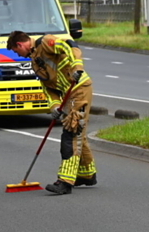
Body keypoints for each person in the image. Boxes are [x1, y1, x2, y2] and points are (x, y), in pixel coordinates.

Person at [7, 30, 96, 196]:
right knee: (79, 133)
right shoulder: (34, 62)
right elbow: (47, 88)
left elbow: (70, 47)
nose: (17, 54)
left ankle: (65, 181)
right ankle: (86, 175)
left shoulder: (46, 42)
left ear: (19, 44)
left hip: (79, 88)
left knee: (71, 132)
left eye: (15, 51)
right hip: (67, 95)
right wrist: (54, 106)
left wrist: (77, 66)